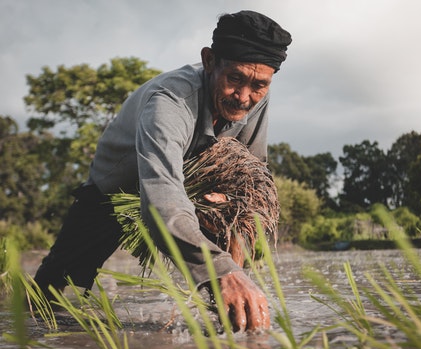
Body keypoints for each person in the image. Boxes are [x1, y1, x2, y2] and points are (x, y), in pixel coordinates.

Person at [33, 10, 291, 332]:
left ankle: (227, 325)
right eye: (234, 79)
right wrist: (221, 269)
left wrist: (230, 204)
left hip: (192, 186)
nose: (243, 97)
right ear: (210, 61)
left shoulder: (255, 98)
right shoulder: (170, 102)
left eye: (259, 85)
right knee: (58, 284)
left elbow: (254, 173)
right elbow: (163, 200)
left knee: (232, 228)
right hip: (116, 188)